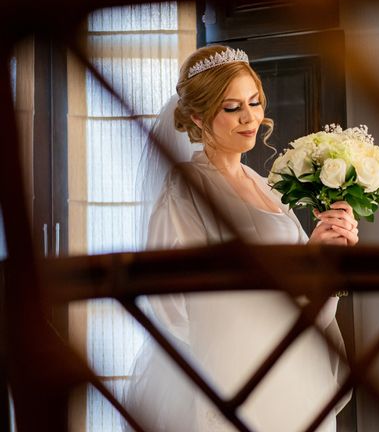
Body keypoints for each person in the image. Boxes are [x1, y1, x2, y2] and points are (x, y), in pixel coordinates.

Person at [124, 45, 357, 431]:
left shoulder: (269, 189)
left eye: (254, 102)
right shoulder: (186, 188)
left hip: (294, 370)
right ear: (198, 117)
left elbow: (305, 290)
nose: (250, 118)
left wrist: (326, 246)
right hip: (231, 375)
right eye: (232, 108)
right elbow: (165, 298)